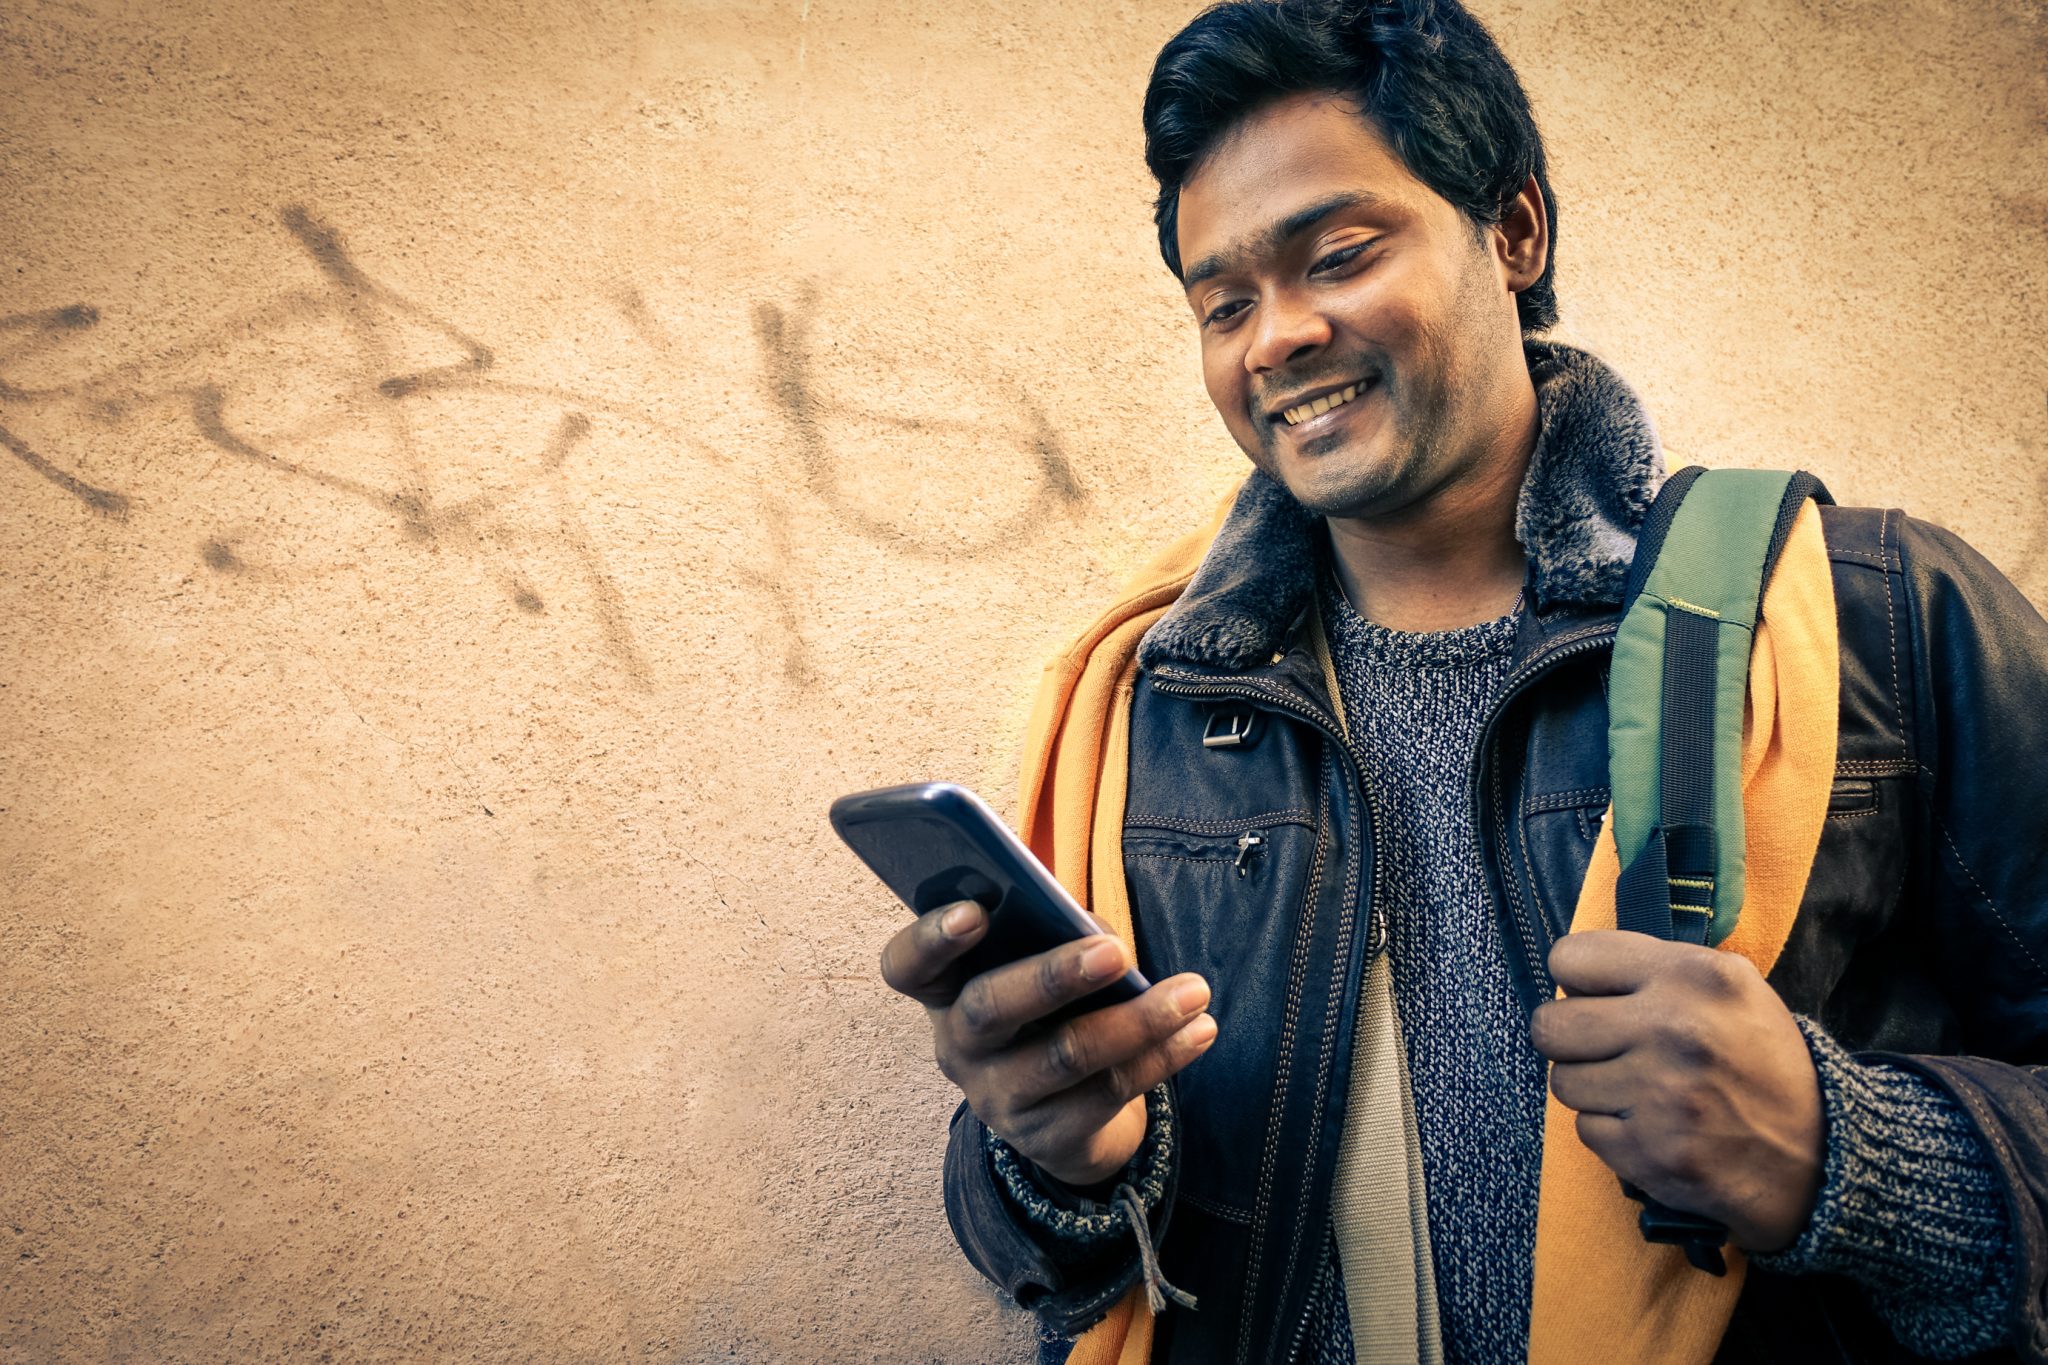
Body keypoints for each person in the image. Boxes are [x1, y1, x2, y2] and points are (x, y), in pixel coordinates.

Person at [876, 1, 2048, 1360]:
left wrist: (1852, 1155)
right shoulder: (1143, 705)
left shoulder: (1874, 617)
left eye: (1338, 255)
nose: (1276, 337)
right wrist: (1051, 1160)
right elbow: (1046, 1248)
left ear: (1515, 233)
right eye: (1224, 303)